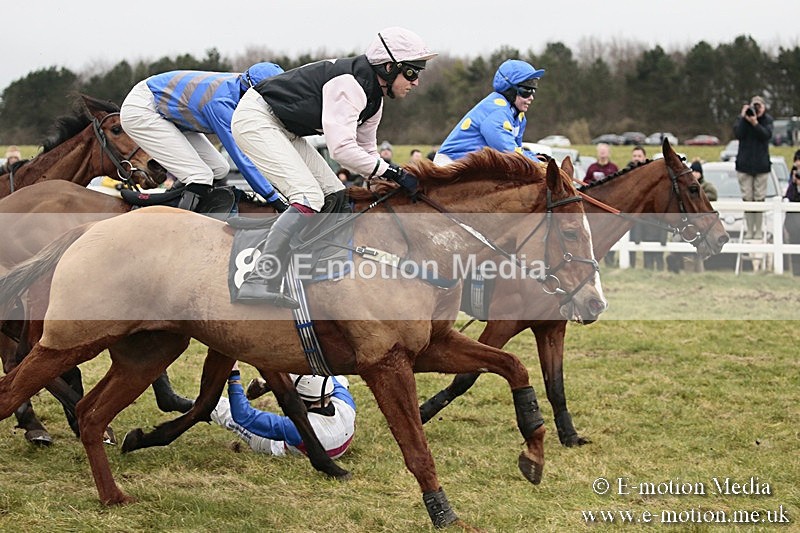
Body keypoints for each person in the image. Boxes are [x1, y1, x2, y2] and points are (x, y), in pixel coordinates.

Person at [231, 26, 435, 308]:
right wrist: (392, 172)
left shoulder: (374, 100)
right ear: (389, 67)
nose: (416, 82)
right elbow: (342, 151)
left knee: (334, 193)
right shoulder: (350, 85)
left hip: (285, 128)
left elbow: (367, 152)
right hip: (257, 120)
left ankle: (308, 265)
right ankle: (259, 279)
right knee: (309, 197)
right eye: (412, 72)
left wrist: (388, 180)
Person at [120, 62, 288, 212]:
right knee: (200, 176)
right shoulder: (221, 105)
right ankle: (173, 227)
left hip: (170, 110)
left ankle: (172, 201)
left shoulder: (241, 88)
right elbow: (241, 156)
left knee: (219, 169)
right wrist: (273, 197)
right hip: (143, 108)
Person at [211, 364, 356, 459]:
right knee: (340, 379)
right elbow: (329, 379)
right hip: (336, 440)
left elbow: (243, 416)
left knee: (224, 409)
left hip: (279, 446)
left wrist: (233, 375)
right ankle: (268, 385)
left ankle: (193, 405)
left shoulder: (294, 427)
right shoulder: (345, 403)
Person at [433, 59, 544, 166]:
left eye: (533, 91)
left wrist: (532, 157)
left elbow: (517, 151)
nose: (531, 97)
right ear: (510, 89)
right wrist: (535, 162)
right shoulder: (498, 111)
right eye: (527, 91)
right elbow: (510, 153)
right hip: (451, 163)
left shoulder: (519, 117)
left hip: (473, 168)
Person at [667, 160, 718, 273]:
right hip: (687, 224)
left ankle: (699, 274)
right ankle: (685, 271)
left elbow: (713, 195)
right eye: (693, 171)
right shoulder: (686, 186)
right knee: (685, 249)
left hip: (701, 224)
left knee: (698, 251)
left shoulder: (706, 186)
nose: (694, 174)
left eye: (696, 171)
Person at [734, 95, 773, 239]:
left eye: (759, 106)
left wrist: (755, 123)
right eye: (754, 106)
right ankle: (749, 230)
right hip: (744, 166)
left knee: (759, 199)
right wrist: (744, 118)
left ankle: (758, 231)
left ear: (763, 107)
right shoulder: (742, 120)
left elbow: (766, 135)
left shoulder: (767, 120)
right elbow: (738, 133)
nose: (755, 109)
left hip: (761, 166)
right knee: (747, 199)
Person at [784, 150, 800, 276]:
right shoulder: (794, 175)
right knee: (794, 241)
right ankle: (796, 272)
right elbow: (789, 196)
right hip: (794, 221)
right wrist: (795, 184)